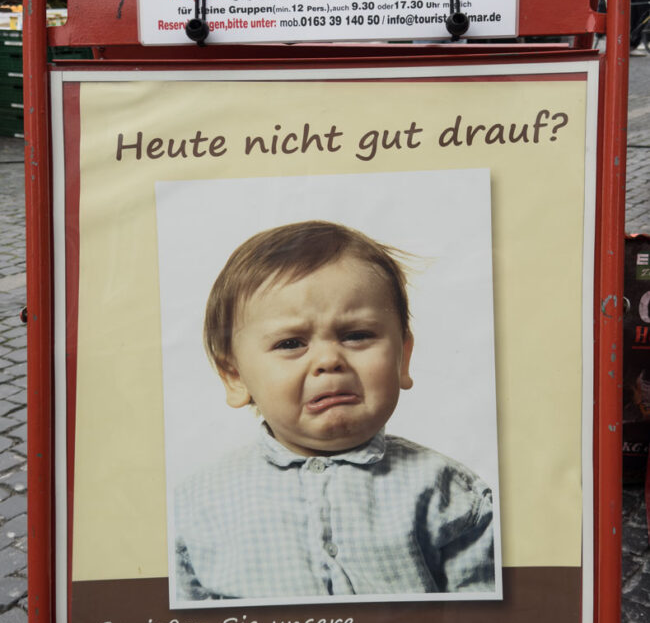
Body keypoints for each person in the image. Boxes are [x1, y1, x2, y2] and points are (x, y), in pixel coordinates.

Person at [174, 221, 495, 601]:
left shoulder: (449, 492)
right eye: (291, 342)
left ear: (402, 358)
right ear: (235, 376)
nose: (329, 360)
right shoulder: (197, 507)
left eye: (356, 335)